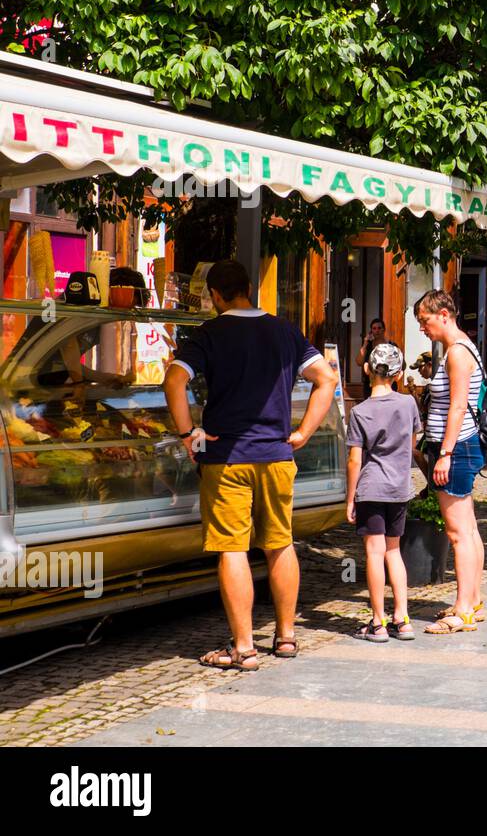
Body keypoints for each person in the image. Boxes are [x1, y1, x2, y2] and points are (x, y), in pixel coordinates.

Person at [163, 260, 337, 671]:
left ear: (216, 296)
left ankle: (243, 648)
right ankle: (287, 637)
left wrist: (189, 434)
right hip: (277, 455)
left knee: (232, 548)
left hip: (226, 459)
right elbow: (326, 379)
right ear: (248, 289)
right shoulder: (284, 331)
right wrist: (304, 432)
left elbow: (173, 380)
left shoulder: (209, 334)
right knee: (280, 543)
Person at [413, 290, 486, 634]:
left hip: (455, 449)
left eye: (424, 321)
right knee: (469, 528)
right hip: (462, 446)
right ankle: (473, 601)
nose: (422, 329)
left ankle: (463, 610)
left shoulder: (457, 353)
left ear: (443, 314)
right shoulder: (464, 348)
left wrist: (444, 452)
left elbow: (457, 406)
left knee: (458, 533)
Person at [346, 342, 422, 642]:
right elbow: (411, 445)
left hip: (371, 488)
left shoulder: (360, 412)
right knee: (394, 552)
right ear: (399, 373)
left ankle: (377, 621)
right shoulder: (408, 405)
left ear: (366, 370)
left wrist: (350, 498)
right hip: (399, 489)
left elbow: (354, 460)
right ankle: (402, 618)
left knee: (374, 554)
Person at [355, 318, 388, 399]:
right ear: (371, 331)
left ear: (384, 330)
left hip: (387, 384)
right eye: (374, 328)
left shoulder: (390, 346)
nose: (377, 331)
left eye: (379, 328)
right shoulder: (368, 347)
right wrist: (365, 343)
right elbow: (359, 362)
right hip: (370, 385)